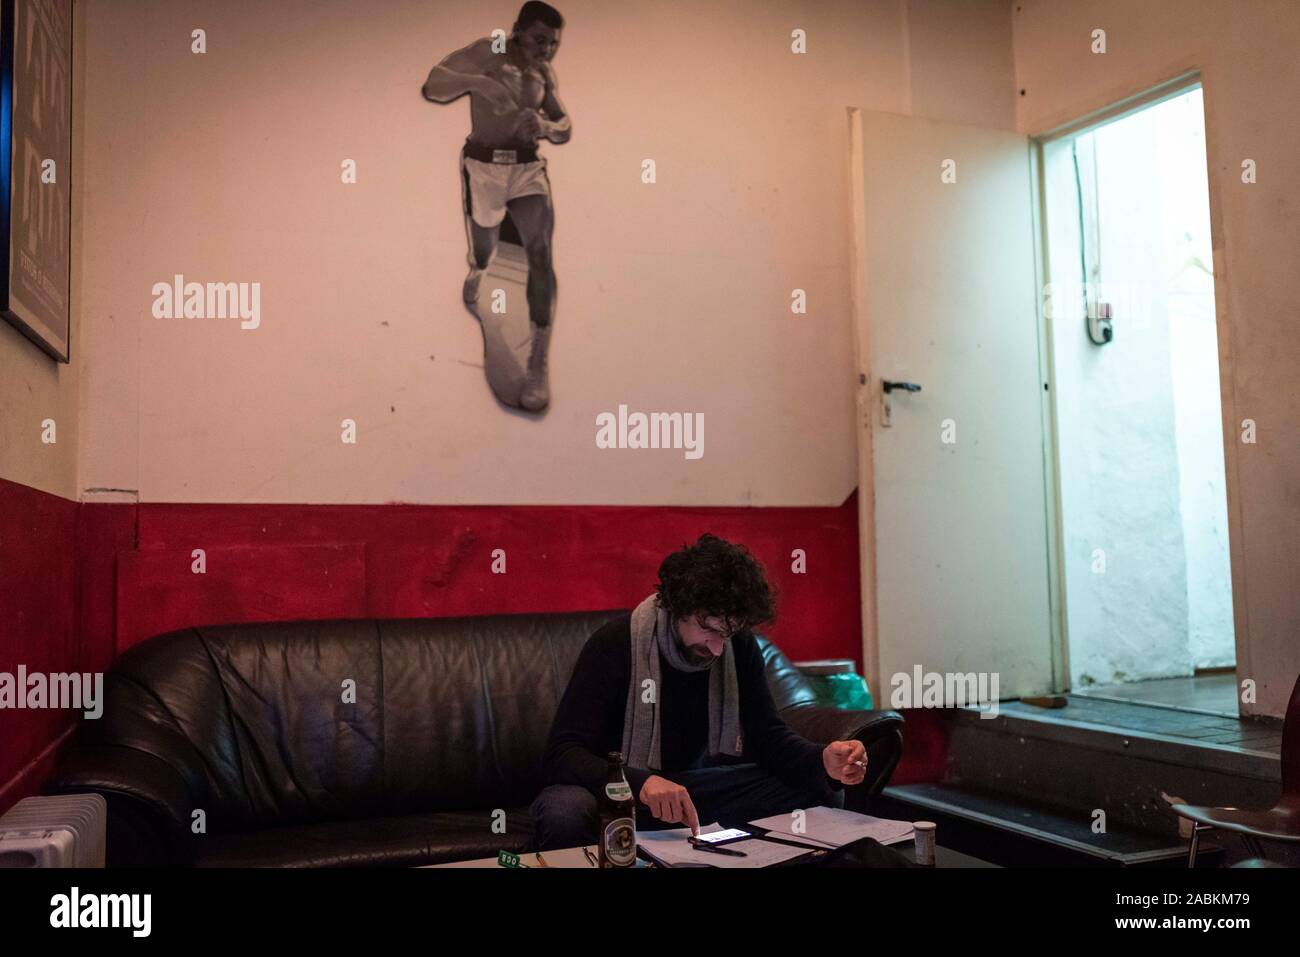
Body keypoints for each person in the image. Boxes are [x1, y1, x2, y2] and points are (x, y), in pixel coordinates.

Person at [531, 534, 869, 850]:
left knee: (818, 784)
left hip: (691, 793)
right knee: (565, 809)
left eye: (729, 632)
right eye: (708, 629)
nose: (718, 648)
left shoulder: (737, 647)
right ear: (677, 607)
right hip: (619, 794)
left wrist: (820, 759)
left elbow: (768, 737)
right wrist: (641, 783)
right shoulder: (615, 644)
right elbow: (563, 755)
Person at [421, 1, 570, 411]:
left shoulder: (542, 73)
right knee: (485, 246)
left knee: (540, 253)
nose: (547, 49)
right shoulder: (489, 51)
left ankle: (537, 359)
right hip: (483, 167)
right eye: (540, 39)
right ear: (518, 30)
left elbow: (564, 124)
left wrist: (546, 126)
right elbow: (434, 84)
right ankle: (478, 266)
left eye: (553, 43)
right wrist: (479, 83)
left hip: (526, 168)